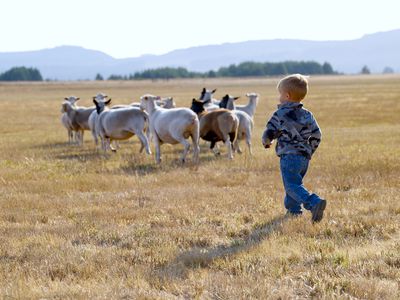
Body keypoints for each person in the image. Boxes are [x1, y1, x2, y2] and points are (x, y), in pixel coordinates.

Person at [262, 74, 326, 222]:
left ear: (287, 95)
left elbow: (270, 132)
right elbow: (317, 134)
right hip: (304, 158)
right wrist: (310, 150)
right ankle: (294, 211)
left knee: (291, 186)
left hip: (289, 156)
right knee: (295, 184)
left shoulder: (280, 114)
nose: (279, 98)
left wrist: (266, 141)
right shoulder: (308, 115)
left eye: (280, 95)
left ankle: (313, 203)